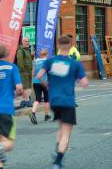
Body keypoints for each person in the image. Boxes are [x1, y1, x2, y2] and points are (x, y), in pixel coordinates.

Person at [37, 35, 88, 169]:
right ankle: (58, 161)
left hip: (54, 101)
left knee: (61, 127)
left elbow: (39, 76)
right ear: (71, 46)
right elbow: (84, 83)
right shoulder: (75, 64)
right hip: (68, 101)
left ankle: (57, 149)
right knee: (66, 133)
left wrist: (46, 84)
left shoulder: (50, 61)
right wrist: (77, 78)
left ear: (58, 46)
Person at [29, 49, 51, 125]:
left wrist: (32, 80)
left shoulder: (36, 61)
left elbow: (33, 72)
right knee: (46, 99)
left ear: (40, 54)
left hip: (35, 82)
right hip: (44, 82)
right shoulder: (47, 62)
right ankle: (47, 115)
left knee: (38, 98)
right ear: (46, 54)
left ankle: (33, 112)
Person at [16, 37, 33, 108]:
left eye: (28, 41)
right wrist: (23, 70)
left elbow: (28, 60)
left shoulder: (28, 50)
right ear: (22, 42)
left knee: (27, 86)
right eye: (25, 41)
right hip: (24, 71)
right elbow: (20, 62)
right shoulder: (20, 51)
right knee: (25, 86)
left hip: (29, 71)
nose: (27, 42)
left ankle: (23, 101)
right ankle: (27, 100)